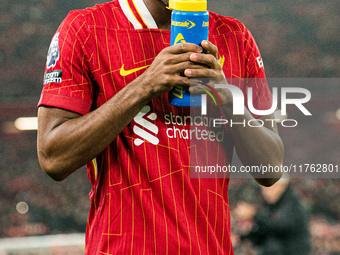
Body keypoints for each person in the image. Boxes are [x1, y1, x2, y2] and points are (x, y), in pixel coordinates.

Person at [37, 0, 284, 254]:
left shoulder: (235, 37)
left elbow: (271, 169)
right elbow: (53, 158)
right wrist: (145, 87)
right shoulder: (86, 29)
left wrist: (228, 98)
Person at [234, 178, 311, 255]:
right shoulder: (273, 205)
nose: (265, 193)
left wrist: (254, 214)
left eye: (268, 189)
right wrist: (242, 238)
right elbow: (266, 231)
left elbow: (280, 225)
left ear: (281, 186)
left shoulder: (293, 205)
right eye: (263, 189)